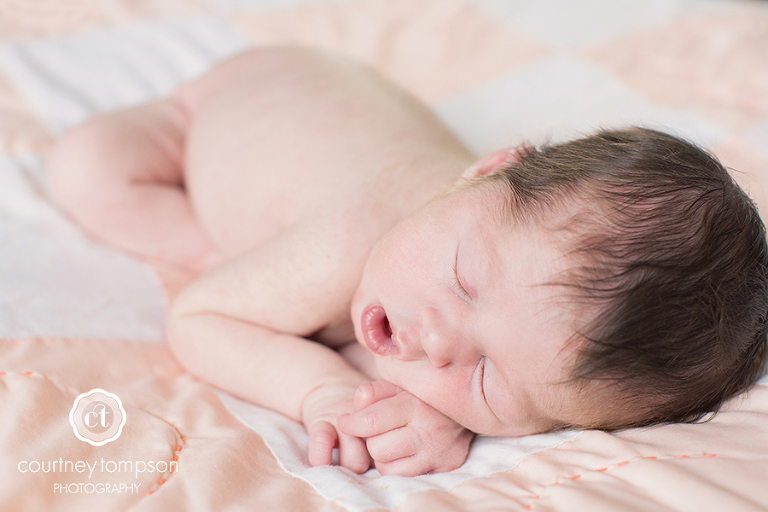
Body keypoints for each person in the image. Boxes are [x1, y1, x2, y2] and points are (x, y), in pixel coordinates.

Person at [46, 46, 768, 477]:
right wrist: (322, 392)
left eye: (488, 381)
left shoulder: (486, 261)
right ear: (489, 170)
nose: (435, 340)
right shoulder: (350, 239)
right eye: (462, 280)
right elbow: (200, 318)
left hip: (352, 107)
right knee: (84, 168)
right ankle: (222, 253)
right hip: (226, 103)